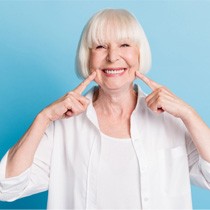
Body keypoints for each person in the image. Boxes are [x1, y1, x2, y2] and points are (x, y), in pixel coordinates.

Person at [0, 8, 210, 209]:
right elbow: (7, 188)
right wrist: (43, 117)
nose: (112, 57)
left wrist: (189, 114)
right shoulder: (63, 127)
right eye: (100, 46)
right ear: (87, 57)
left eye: (125, 45)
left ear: (139, 54)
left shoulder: (171, 122)